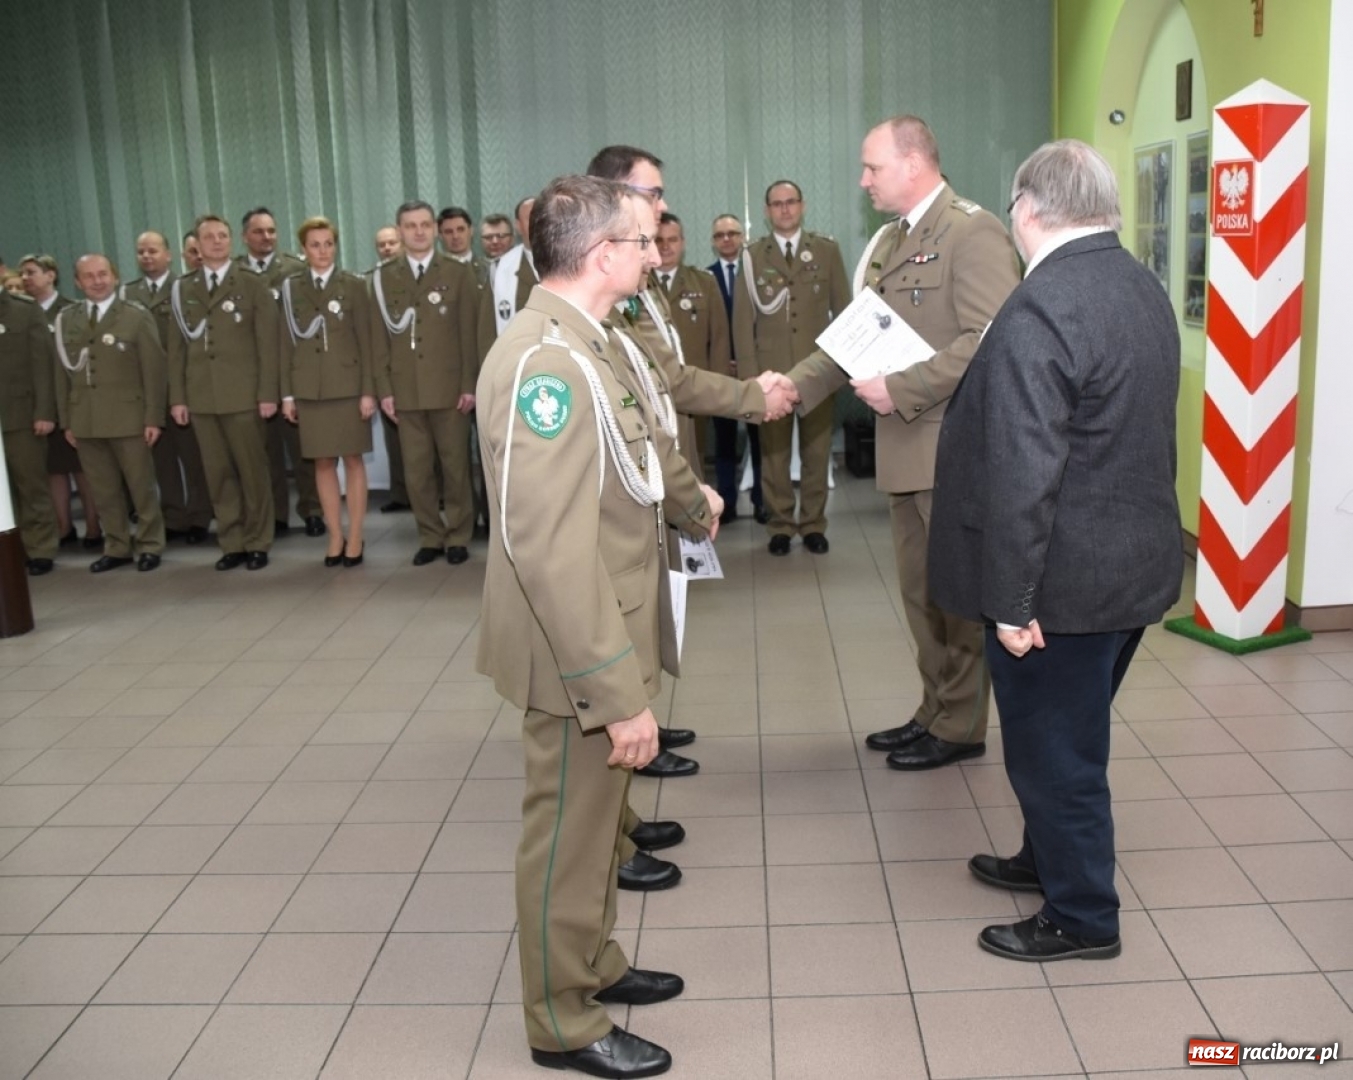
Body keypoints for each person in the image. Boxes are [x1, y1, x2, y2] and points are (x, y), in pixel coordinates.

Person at [478, 173, 720, 1080]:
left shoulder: (588, 338)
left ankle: (592, 965)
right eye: (643, 237)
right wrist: (616, 691)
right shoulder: (547, 361)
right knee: (566, 840)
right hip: (575, 652)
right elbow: (546, 548)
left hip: (602, 631)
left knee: (596, 825)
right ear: (602, 254)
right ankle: (560, 1021)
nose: (656, 251)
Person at [928, 139, 1183, 960]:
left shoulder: (1041, 306)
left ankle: (1080, 915)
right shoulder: (1137, 284)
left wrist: (1010, 600)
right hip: (1132, 569)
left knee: (1055, 755)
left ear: (1027, 209)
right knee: (1066, 734)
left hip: (1060, 586)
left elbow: (1023, 470)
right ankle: (1044, 858)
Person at [785, 115, 1020, 770]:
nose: (862, 181)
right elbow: (857, 335)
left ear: (913, 161)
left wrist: (903, 387)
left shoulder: (972, 232)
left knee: (954, 599)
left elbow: (989, 341)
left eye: (872, 167)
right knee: (921, 596)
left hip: (949, 448)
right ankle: (934, 708)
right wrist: (788, 387)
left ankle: (960, 725)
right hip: (905, 451)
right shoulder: (893, 240)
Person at [732, 181, 849, 556]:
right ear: (767, 210)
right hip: (770, 375)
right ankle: (781, 524)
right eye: (777, 204)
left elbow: (845, 314)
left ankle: (813, 523)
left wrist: (841, 367)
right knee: (774, 454)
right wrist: (751, 379)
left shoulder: (827, 251)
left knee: (817, 452)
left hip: (817, 372)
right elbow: (742, 321)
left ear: (803, 205)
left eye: (791, 202)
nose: (784, 210)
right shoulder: (752, 256)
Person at [167, 213, 280, 571]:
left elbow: (268, 343)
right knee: (217, 473)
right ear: (196, 246)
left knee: (252, 471)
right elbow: (177, 349)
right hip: (202, 397)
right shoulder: (183, 288)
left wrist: (267, 393)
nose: (216, 241)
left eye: (222, 235)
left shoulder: (250, 282)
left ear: (231, 241)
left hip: (243, 395)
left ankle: (258, 540)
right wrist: (179, 398)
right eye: (208, 237)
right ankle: (231, 541)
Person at [371, 199, 480, 566]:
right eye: (410, 225)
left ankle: (459, 535)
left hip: (450, 390)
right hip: (406, 391)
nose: (418, 231)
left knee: (456, 468)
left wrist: (470, 384)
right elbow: (378, 340)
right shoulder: (384, 277)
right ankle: (430, 535)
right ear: (400, 231)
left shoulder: (457, 272)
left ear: (433, 229)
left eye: (423, 224)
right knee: (416, 472)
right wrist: (384, 390)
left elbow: (470, 332)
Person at [55, 254, 167, 572]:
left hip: (129, 417)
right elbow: (60, 375)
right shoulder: (68, 319)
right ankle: (116, 545)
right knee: (102, 489)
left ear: (115, 277)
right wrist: (67, 420)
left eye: (103, 274)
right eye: (88, 276)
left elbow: (154, 371)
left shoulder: (134, 316)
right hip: (85, 419)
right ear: (77, 282)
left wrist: (152, 417)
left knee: (140, 486)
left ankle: (149, 544)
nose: (97, 281)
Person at [280, 217, 375, 567]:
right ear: (303, 250)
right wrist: (287, 394)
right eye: (315, 245)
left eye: (328, 244)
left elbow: (367, 339)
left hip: (348, 386)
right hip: (310, 389)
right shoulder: (291, 288)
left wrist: (369, 391)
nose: (323, 251)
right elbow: (283, 344)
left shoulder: (353, 285)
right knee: (321, 462)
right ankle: (335, 534)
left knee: (352, 459)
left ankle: (356, 534)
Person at [122, 230, 212, 546]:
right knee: (162, 460)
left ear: (169, 254)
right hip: (149, 391)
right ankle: (174, 518)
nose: (147, 256)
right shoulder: (128, 295)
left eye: (153, 250)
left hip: (182, 387)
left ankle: (201, 515)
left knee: (194, 456)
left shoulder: (184, 288)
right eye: (141, 251)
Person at [237, 207, 322, 538]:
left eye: (271, 231)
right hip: (252, 375)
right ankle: (276, 514)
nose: (266, 237)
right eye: (258, 232)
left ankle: (313, 510)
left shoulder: (295, 269)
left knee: (303, 448)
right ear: (245, 236)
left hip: (291, 369)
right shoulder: (234, 273)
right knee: (264, 451)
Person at [20, 253, 101, 551]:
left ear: (51, 275)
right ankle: (63, 526)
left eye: (32, 272)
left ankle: (93, 525)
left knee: (82, 468)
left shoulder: (69, 310)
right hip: (39, 403)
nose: (27, 278)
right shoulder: (23, 311)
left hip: (70, 399)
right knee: (53, 470)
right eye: (23, 273)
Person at [651, 212, 731, 482]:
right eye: (658, 240)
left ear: (683, 242)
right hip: (650, 391)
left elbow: (719, 340)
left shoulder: (704, 282)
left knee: (694, 460)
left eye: (672, 239)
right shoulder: (635, 286)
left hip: (693, 390)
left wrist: (716, 390)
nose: (665, 246)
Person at [707, 213, 766, 525]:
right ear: (713, 242)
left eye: (732, 233)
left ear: (743, 237)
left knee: (760, 441)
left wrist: (746, 361)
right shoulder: (705, 278)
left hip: (753, 371)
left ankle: (761, 501)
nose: (727, 239)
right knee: (724, 441)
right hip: (720, 373)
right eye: (720, 235)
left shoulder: (757, 273)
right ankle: (727, 501)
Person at [0, 280, 59, 576]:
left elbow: (43, 365)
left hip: (20, 415)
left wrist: (44, 411)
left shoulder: (23, 311)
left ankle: (40, 549)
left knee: (31, 485)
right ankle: (9, 551)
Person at [369, 227, 410, 512]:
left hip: (419, 372)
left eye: (392, 243)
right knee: (394, 442)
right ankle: (400, 494)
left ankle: (438, 495)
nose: (387, 248)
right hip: (389, 373)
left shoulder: (411, 277)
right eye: (381, 244)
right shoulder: (372, 280)